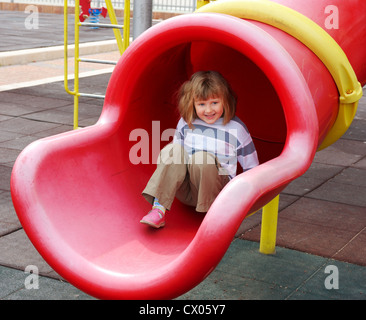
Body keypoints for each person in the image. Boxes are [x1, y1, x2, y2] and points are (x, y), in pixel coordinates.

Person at [140, 71, 259, 228]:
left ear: (225, 101)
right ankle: (159, 208)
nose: (209, 110)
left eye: (214, 103)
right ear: (192, 104)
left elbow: (252, 168)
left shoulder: (236, 128)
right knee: (172, 150)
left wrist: (242, 197)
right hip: (188, 188)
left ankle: (211, 216)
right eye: (202, 104)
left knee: (201, 158)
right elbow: (176, 158)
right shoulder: (186, 122)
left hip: (217, 190)